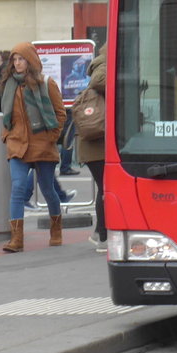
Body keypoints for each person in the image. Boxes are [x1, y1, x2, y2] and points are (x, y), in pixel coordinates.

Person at [0, 42, 67, 253]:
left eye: (21, 59)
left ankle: (56, 230)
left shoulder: (46, 83)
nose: (17, 64)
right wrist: (7, 136)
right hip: (18, 145)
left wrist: (51, 137)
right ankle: (16, 239)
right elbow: (6, 115)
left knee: (48, 189)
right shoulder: (9, 85)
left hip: (42, 145)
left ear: (31, 61)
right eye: (14, 60)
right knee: (18, 188)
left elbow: (60, 114)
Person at [75, 50, 107, 251]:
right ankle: (102, 236)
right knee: (106, 189)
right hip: (97, 147)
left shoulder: (100, 64)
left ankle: (99, 232)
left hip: (93, 146)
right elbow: (99, 81)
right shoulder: (104, 65)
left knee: (104, 188)